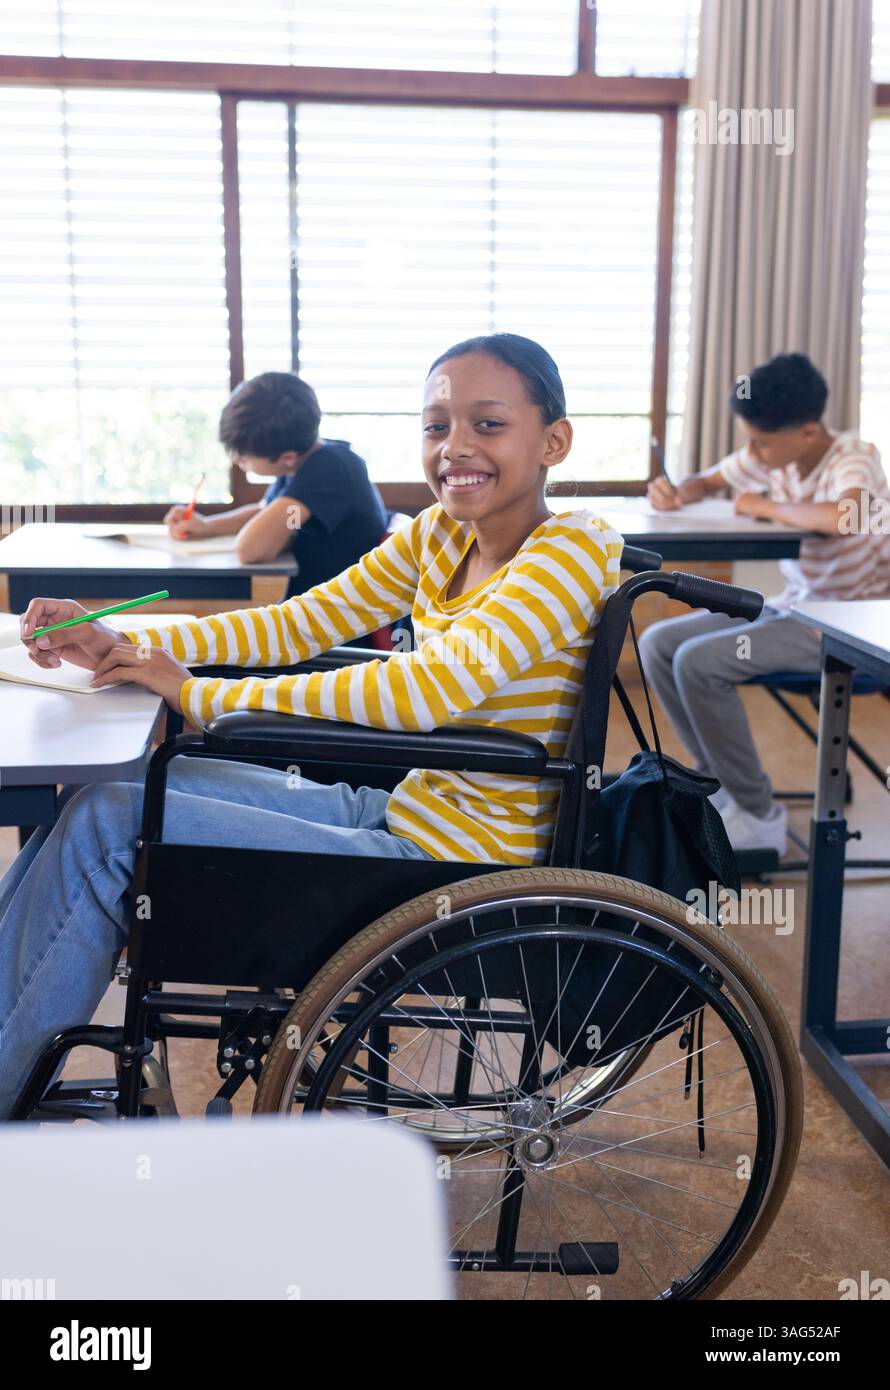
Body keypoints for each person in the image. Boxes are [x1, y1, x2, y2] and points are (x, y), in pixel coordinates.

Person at [0, 332, 623, 1117]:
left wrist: (203, 696)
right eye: (436, 427)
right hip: (407, 810)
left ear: (553, 441)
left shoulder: (572, 548)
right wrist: (125, 643)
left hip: (460, 861)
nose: (455, 447)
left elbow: (430, 690)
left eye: (487, 425)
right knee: (114, 782)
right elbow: (296, 626)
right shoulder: (441, 535)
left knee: (109, 826)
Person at [639, 352, 890, 855]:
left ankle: (759, 814)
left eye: (759, 441)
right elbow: (709, 481)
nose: (750, 450)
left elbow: (845, 516)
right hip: (794, 606)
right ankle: (719, 788)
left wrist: (760, 504)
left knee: (700, 662)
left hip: (845, 624)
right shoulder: (772, 453)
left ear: (809, 432)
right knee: (658, 642)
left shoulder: (854, 455)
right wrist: (676, 492)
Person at [164, 371, 387, 595]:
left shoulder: (329, 470)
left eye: (244, 458)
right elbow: (265, 511)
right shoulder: (302, 462)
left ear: (287, 457)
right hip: (313, 605)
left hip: (337, 618)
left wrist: (279, 526)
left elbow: (250, 550)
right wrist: (206, 526)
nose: (238, 462)